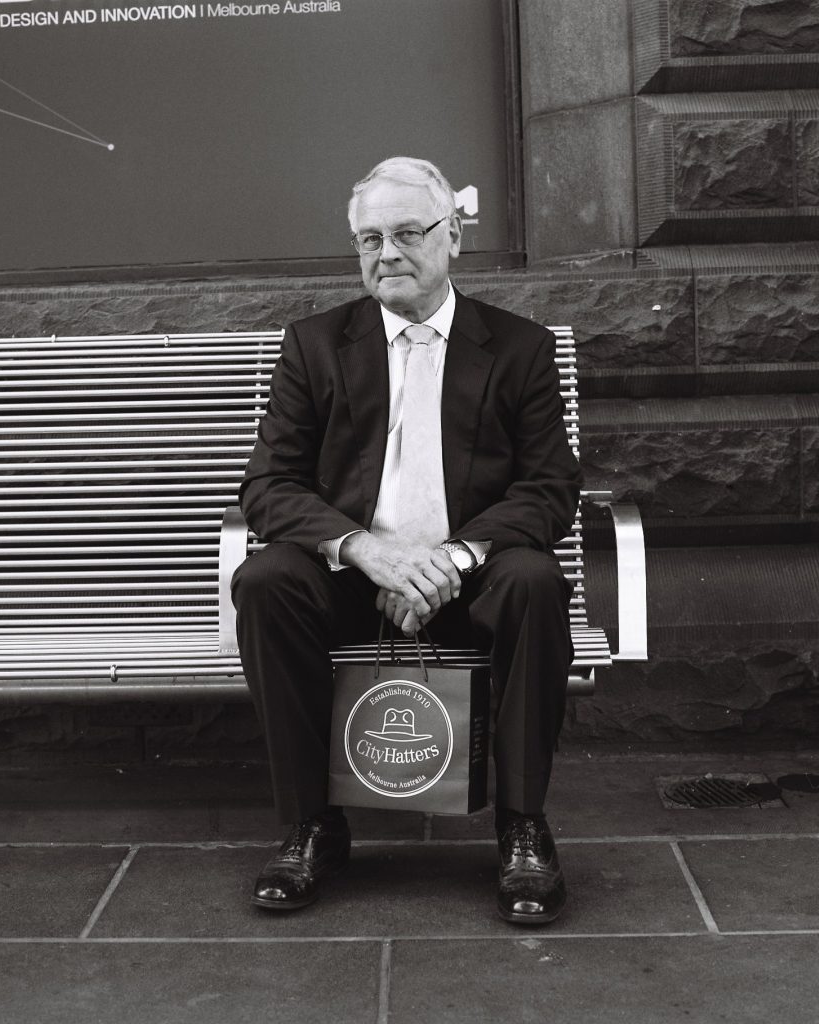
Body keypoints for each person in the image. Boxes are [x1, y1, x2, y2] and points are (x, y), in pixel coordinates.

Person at [232, 156, 582, 925]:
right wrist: (364, 550)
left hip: (474, 585)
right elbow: (267, 487)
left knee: (533, 580)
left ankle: (522, 828)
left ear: (452, 236)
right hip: (351, 584)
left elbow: (550, 490)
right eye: (367, 239)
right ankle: (311, 826)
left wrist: (453, 558)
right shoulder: (316, 345)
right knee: (264, 582)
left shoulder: (517, 349)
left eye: (405, 232)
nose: (385, 253)